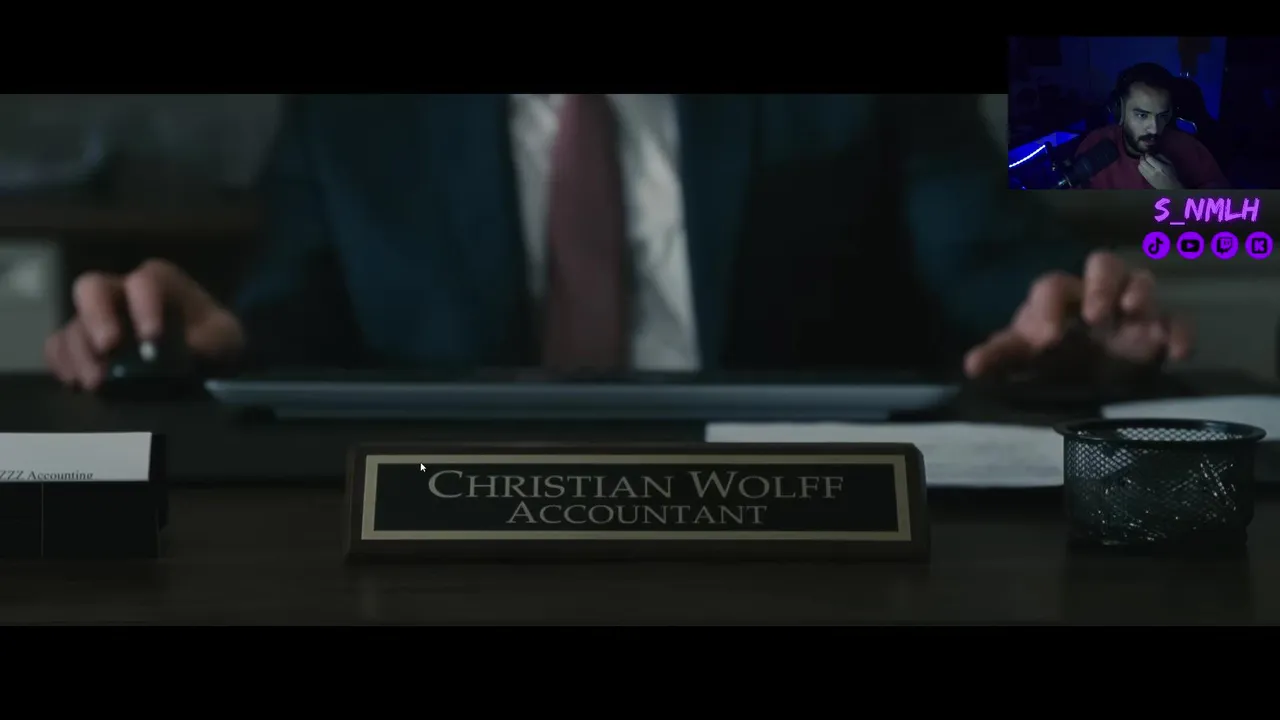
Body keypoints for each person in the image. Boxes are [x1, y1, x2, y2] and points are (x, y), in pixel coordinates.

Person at [45, 94, 1193, 391]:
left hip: (794, 537)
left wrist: (1066, 314)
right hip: (449, 535)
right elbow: (292, 317)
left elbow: (990, 266)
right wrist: (210, 339)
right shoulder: (359, 115)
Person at [1074, 63, 1228, 190]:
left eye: (1162, 116)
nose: (1154, 129)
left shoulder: (1188, 148)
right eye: (1142, 115)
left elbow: (1225, 208)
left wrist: (1175, 190)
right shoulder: (1094, 143)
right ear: (1119, 112)